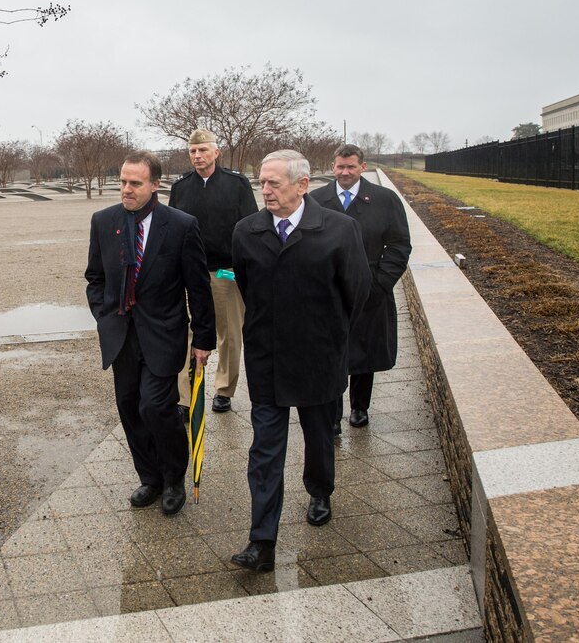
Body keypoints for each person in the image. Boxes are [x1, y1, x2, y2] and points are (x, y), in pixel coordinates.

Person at [229, 150, 370, 571]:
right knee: (265, 451)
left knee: (319, 436)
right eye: (262, 183)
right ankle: (262, 541)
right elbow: (246, 287)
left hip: (318, 358)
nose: (265, 191)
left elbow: (357, 292)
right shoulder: (246, 231)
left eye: (274, 183)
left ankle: (320, 490)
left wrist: (330, 336)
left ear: (303, 184)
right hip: (267, 360)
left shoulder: (340, 230)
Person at [85, 150, 216, 516]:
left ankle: (174, 478)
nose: (126, 189)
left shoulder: (180, 225)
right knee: (129, 408)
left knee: (155, 406)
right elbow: (95, 278)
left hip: (164, 334)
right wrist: (105, 315)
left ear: (155, 185)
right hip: (120, 335)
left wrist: (204, 338)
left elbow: (198, 288)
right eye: (123, 182)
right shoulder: (103, 221)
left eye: (135, 183)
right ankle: (150, 478)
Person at [309, 144, 412, 434]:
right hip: (328, 291)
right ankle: (332, 412)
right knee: (331, 352)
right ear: (333, 167)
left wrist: (380, 283)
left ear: (362, 167)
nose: (345, 172)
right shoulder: (316, 200)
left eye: (351, 167)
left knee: (364, 352)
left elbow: (399, 244)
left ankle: (359, 407)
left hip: (370, 290)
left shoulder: (385, 199)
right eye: (340, 167)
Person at [168, 129, 258, 413]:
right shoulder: (181, 187)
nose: (198, 156)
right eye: (193, 151)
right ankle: (183, 396)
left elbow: (250, 228)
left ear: (216, 152)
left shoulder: (237, 184)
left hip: (224, 272)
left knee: (229, 333)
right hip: (188, 273)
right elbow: (170, 228)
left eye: (203, 150)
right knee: (185, 333)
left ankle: (224, 389)